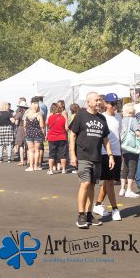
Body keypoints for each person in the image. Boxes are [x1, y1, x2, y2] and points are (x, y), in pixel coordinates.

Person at [69, 92, 115, 229]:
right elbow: (72, 135)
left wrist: (110, 155)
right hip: (83, 156)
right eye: (96, 100)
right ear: (88, 102)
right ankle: (81, 215)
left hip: (97, 157)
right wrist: (72, 155)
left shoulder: (102, 118)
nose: (99, 102)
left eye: (100, 100)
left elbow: (105, 139)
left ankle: (89, 214)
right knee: (85, 183)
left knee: (92, 185)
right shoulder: (81, 115)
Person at [93, 93, 122, 221]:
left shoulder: (119, 117)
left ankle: (98, 204)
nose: (115, 106)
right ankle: (115, 208)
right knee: (110, 181)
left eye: (116, 103)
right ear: (106, 104)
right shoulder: (101, 118)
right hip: (105, 153)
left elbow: (120, 135)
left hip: (117, 152)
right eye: (112, 103)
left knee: (108, 181)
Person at [120, 103, 140, 198]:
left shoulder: (122, 120)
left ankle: (122, 188)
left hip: (124, 145)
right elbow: (138, 133)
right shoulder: (133, 120)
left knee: (125, 167)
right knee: (133, 167)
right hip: (132, 146)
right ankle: (129, 190)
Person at [46, 103, 68, 175]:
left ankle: (51, 170)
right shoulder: (63, 117)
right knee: (63, 154)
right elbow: (66, 128)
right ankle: (64, 169)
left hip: (52, 137)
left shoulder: (50, 117)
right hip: (62, 137)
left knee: (52, 154)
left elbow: (47, 124)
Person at [23, 97, 45, 171]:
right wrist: (44, 134)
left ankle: (31, 166)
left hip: (29, 133)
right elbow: (42, 126)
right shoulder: (39, 115)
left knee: (31, 150)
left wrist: (26, 132)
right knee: (37, 150)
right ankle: (36, 166)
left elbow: (24, 125)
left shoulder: (27, 114)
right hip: (37, 133)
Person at [14, 99, 29, 166]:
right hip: (28, 129)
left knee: (21, 146)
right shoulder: (28, 113)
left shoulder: (19, 113)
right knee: (27, 146)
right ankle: (28, 160)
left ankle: (22, 161)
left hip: (20, 128)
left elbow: (16, 123)